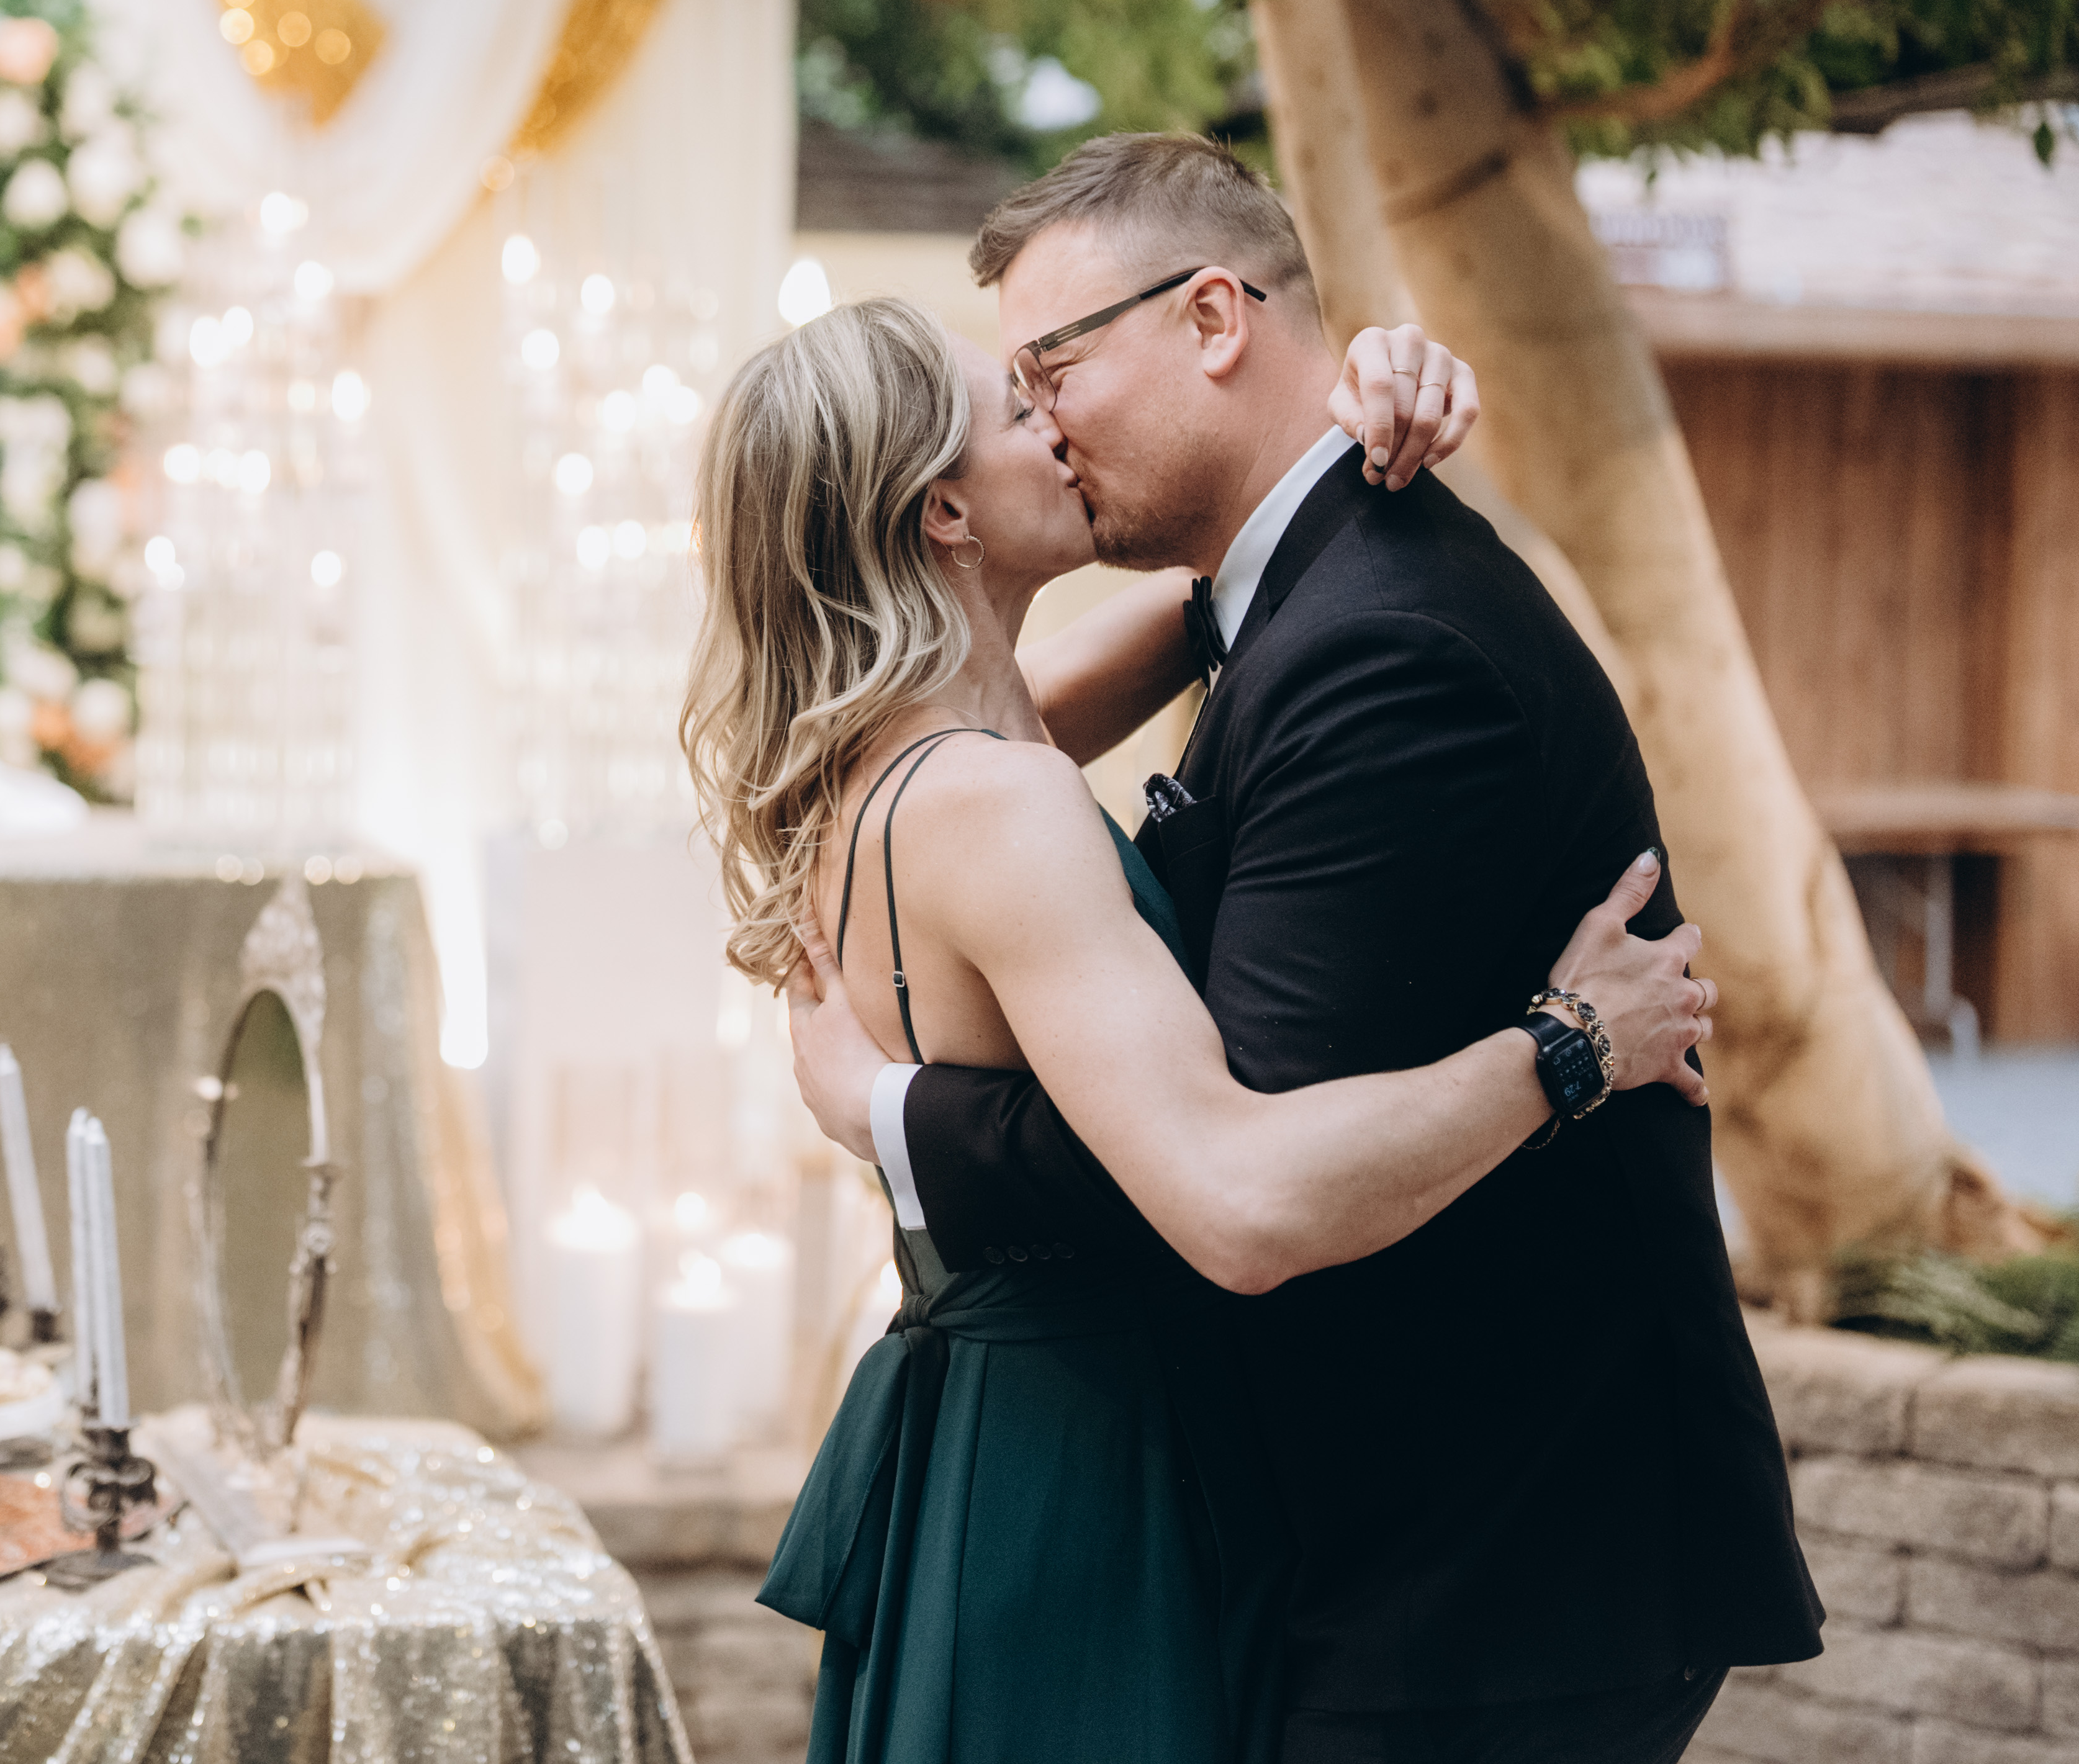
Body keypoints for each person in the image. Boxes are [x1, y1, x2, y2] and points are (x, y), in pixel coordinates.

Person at [754, 137, 1821, 1764]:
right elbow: (1212, 1154)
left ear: (1208, 319)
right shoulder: (1194, 656)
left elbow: (1229, 1159)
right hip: (1290, 1515)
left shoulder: (1373, 639)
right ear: (937, 508)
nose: (1046, 418)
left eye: (1054, 368)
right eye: (1014, 395)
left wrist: (897, 1118)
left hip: (1491, 1560)